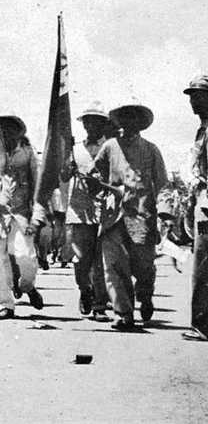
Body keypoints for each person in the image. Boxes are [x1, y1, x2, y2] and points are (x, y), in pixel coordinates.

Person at [91, 100, 168, 331]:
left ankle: (145, 294)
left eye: (133, 117)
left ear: (140, 123)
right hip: (113, 216)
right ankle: (123, 313)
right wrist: (92, 180)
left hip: (142, 216)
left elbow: (163, 184)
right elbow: (96, 177)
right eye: (124, 117)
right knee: (113, 266)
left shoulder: (151, 149)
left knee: (143, 268)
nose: (127, 122)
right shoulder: (109, 147)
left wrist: (166, 214)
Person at [0, 114, 45, 319]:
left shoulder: (28, 154)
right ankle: (5, 304)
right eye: (2, 130)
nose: (6, 134)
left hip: (21, 215)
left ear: (19, 133)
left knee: (25, 257)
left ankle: (27, 286)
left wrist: (38, 216)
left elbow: (39, 187)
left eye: (11, 130)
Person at [60, 102, 111, 322]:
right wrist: (67, 169)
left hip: (104, 211)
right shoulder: (75, 150)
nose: (92, 125)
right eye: (88, 121)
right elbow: (62, 177)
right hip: (79, 211)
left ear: (103, 124)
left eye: (97, 121)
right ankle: (84, 290)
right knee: (81, 261)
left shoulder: (111, 147)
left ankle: (100, 305)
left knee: (101, 262)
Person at [182, 76, 208, 341]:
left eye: (198, 95)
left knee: (203, 267)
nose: (193, 101)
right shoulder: (202, 129)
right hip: (202, 202)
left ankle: (202, 325)